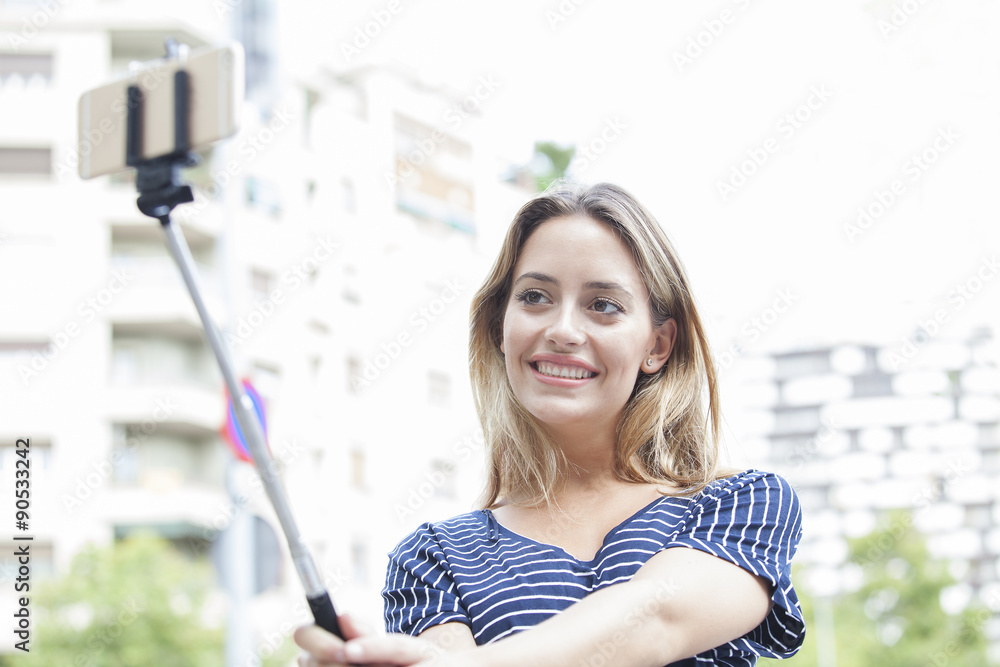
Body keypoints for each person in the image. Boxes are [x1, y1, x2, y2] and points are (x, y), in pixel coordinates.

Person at [295, 182, 805, 666]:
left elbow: (655, 620)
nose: (562, 330)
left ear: (658, 345)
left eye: (603, 306)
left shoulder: (741, 505)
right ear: (500, 326)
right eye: (535, 297)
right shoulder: (433, 559)